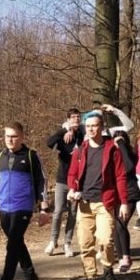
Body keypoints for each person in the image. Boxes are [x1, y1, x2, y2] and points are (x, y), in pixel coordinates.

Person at [66, 110, 129, 280]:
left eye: (95, 126)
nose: (91, 129)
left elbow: (120, 176)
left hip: (104, 203)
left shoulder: (112, 149)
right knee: (85, 244)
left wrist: (124, 202)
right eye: (89, 126)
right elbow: (72, 174)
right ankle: (90, 279)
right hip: (84, 204)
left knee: (105, 239)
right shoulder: (80, 150)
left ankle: (109, 273)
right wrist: (71, 189)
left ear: (102, 127)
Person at [0, 122, 48, 280]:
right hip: (4, 206)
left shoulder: (31, 156)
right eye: (7, 136)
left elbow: (41, 181)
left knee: (12, 244)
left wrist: (44, 207)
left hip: (23, 206)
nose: (11, 140)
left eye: (14, 136)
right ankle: (30, 274)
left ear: (22, 137)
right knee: (16, 241)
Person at [45, 108, 84, 256]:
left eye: (78, 117)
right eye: (73, 117)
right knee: (58, 211)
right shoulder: (63, 135)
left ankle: (67, 243)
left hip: (77, 181)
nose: (76, 120)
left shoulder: (82, 133)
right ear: (68, 119)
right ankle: (53, 241)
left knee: (73, 213)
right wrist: (64, 131)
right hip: (62, 179)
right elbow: (49, 143)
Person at [112, 126, 140, 273]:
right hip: (115, 195)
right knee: (116, 227)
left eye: (120, 140)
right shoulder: (111, 155)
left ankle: (126, 258)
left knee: (120, 225)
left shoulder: (131, 155)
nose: (117, 143)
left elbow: (129, 168)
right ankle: (121, 259)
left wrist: (122, 146)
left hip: (130, 194)